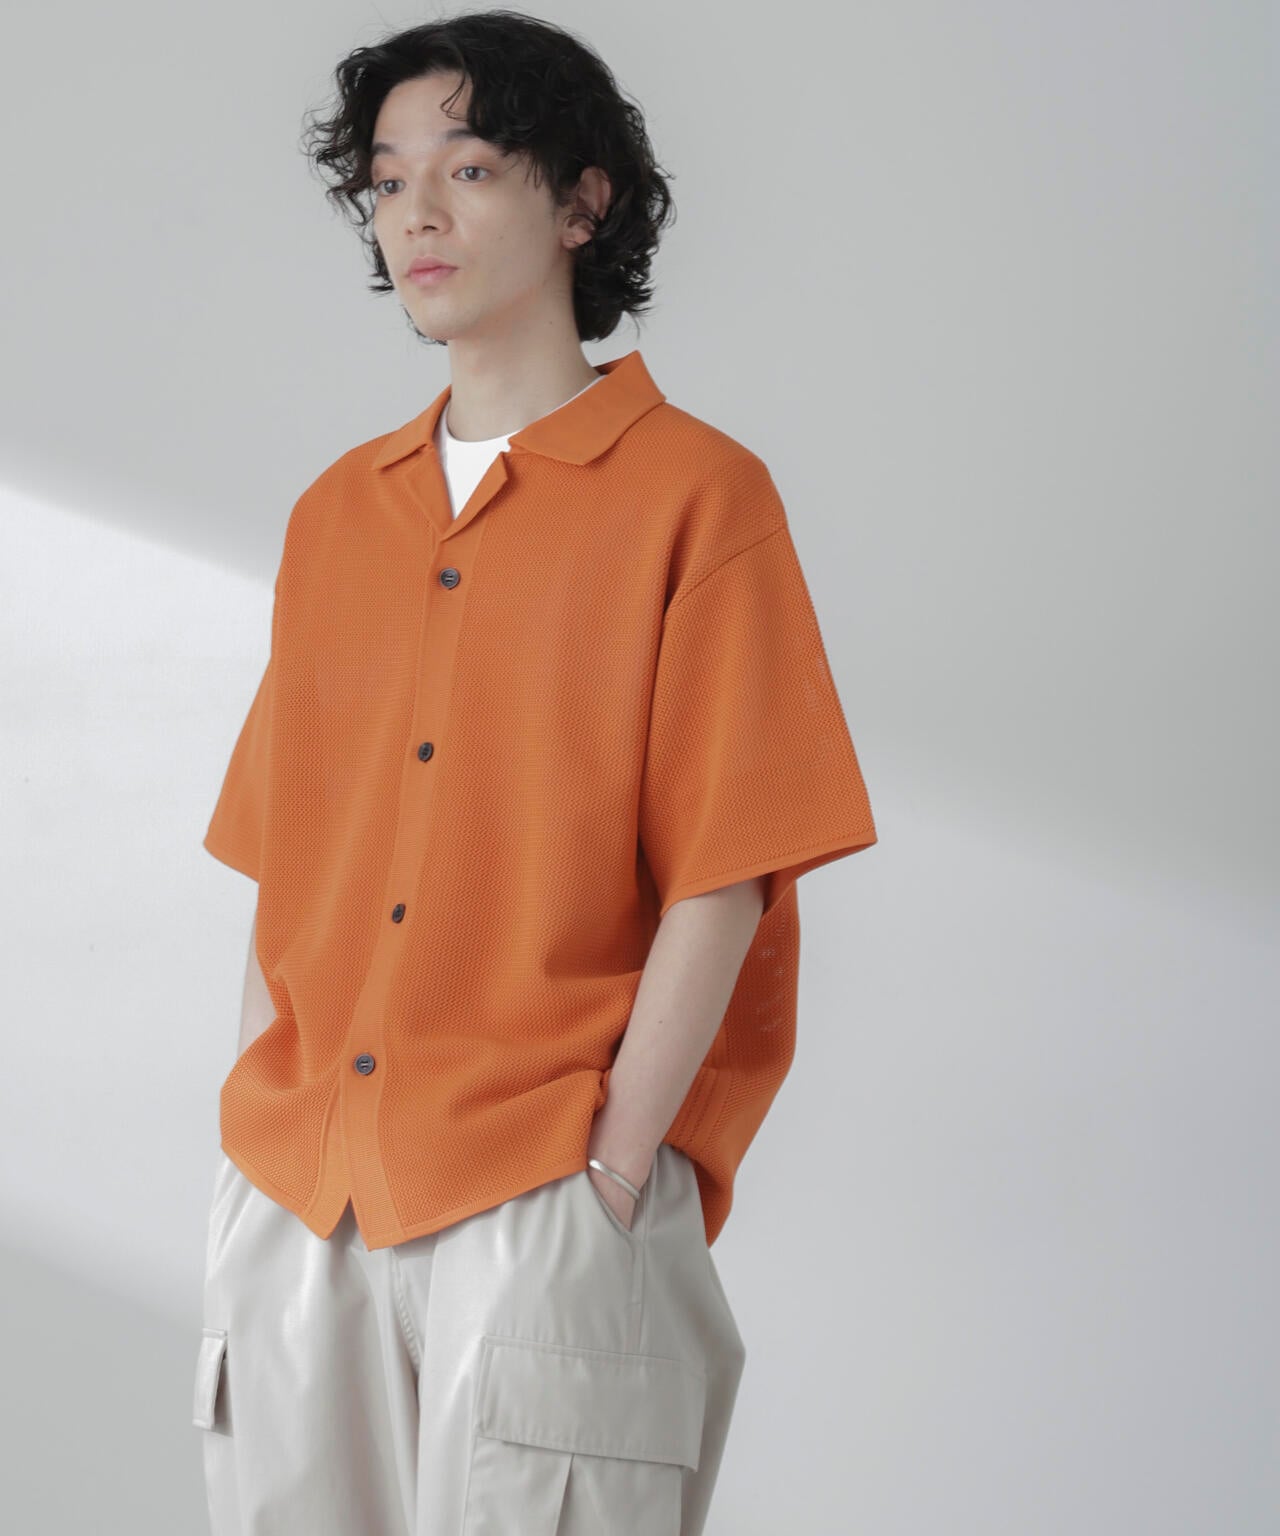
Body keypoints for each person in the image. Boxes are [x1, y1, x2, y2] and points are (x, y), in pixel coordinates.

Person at [191, 10, 878, 1534]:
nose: (415, 214)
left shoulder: (700, 498)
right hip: (301, 1193)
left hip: (542, 1185)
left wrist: (616, 1171)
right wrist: (254, 1128)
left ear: (581, 201)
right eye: (386, 181)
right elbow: (287, 856)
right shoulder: (336, 515)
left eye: (470, 167)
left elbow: (729, 866)